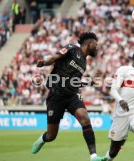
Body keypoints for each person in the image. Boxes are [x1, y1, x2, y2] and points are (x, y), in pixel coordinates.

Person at [30, 32, 107, 161]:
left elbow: (74, 81)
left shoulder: (84, 63)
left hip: (72, 95)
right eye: (95, 44)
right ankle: (42, 139)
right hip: (56, 95)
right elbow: (55, 57)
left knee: (85, 118)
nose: (97, 47)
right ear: (89, 44)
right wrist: (44, 62)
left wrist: (91, 82)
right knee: (51, 136)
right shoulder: (72, 49)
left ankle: (93, 156)